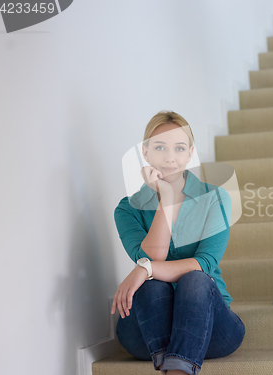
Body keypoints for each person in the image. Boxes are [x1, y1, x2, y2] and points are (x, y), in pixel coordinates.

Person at [111, 110, 245, 375]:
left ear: (190, 153)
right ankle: (173, 360)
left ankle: (175, 369)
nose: (170, 157)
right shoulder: (127, 209)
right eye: (160, 147)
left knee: (195, 278)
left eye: (179, 148)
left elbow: (204, 263)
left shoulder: (215, 199)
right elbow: (154, 255)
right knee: (151, 286)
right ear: (146, 153)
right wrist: (166, 200)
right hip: (146, 332)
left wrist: (145, 268)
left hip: (211, 327)